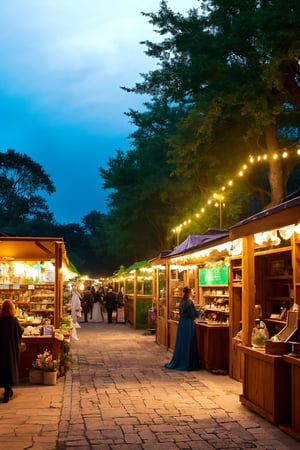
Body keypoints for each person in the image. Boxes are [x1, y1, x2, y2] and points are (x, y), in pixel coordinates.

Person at [165, 286, 200, 371]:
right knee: (189, 342)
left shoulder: (182, 301)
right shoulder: (189, 302)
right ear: (189, 293)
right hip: (188, 323)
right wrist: (201, 311)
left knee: (182, 341)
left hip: (182, 322)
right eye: (192, 292)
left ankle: (181, 360)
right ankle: (188, 362)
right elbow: (193, 314)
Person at [0, 299, 24, 403]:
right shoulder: (14, 320)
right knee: (9, 369)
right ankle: (7, 391)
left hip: (1, 349)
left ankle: (7, 392)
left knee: (2, 369)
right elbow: (21, 330)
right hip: (10, 350)